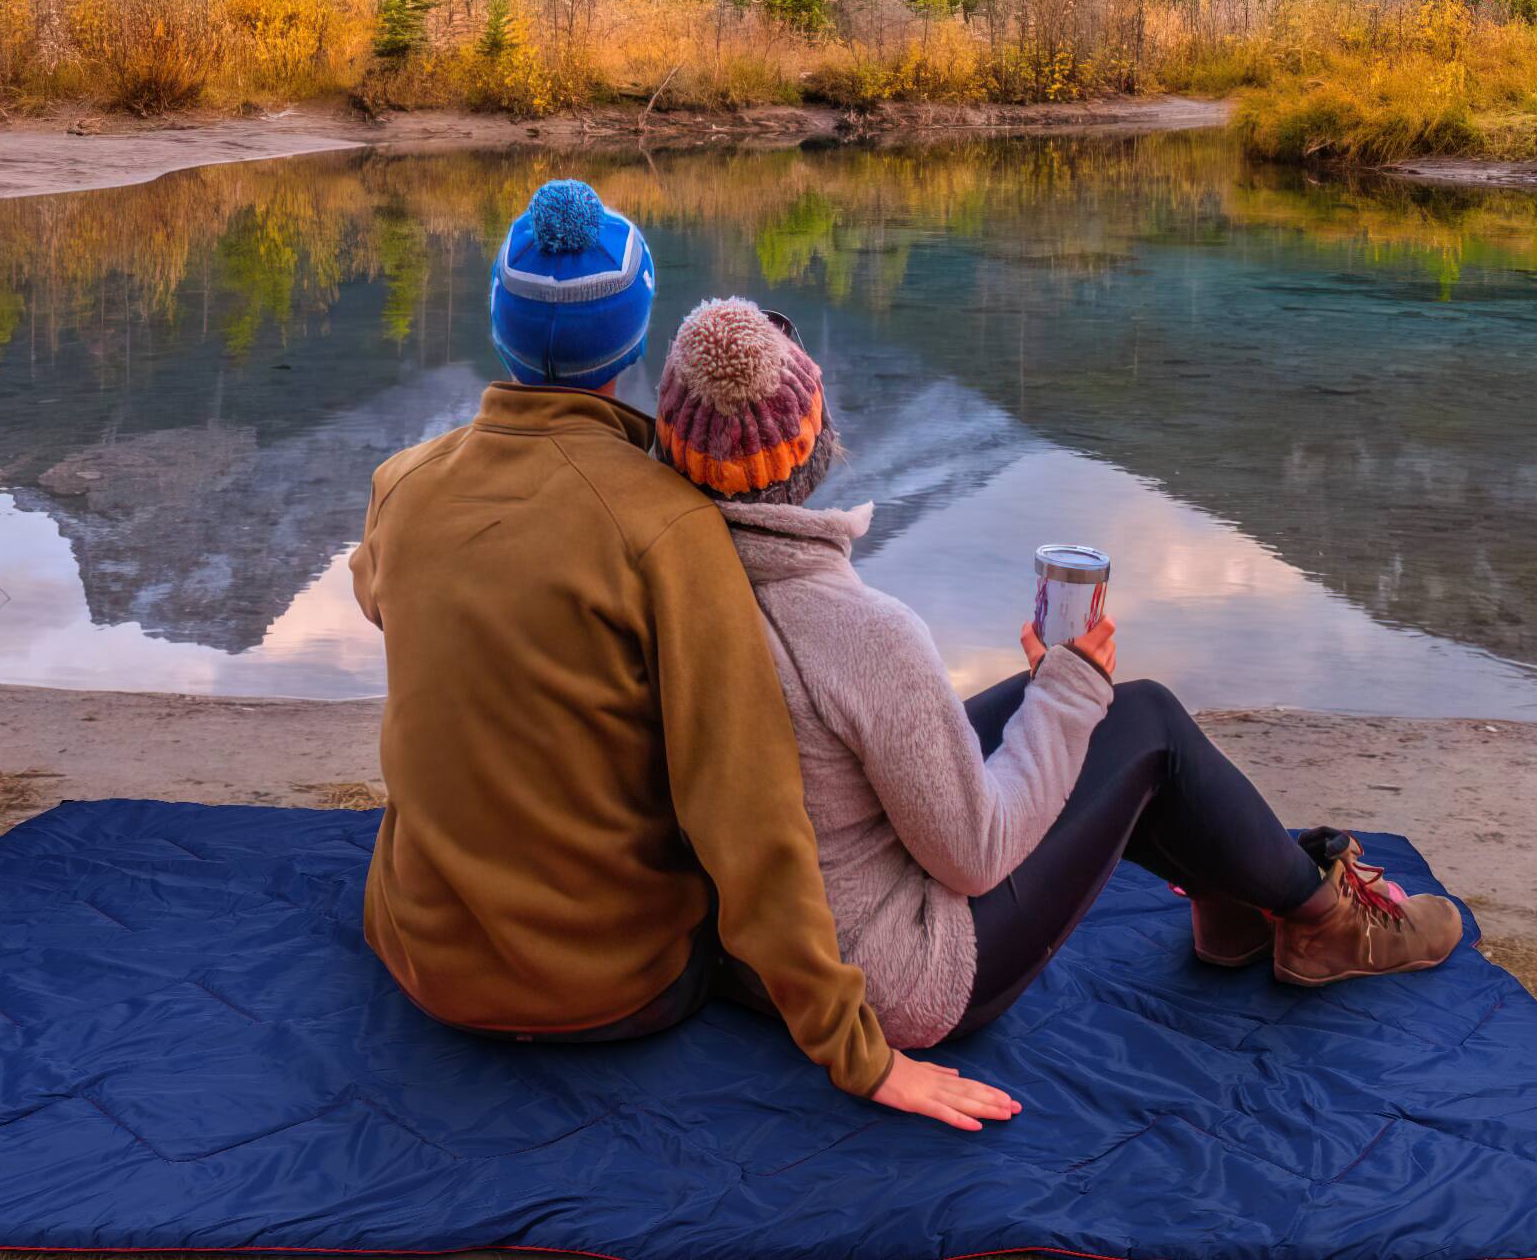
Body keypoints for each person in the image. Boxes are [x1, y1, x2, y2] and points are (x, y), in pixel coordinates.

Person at [350, 179, 1018, 1131]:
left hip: (420, 955)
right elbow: (746, 812)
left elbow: (376, 596)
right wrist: (859, 1056)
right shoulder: (666, 529)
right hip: (613, 990)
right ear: (633, 347)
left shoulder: (402, 489)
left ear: (497, 320)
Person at [652, 296, 1465, 1052]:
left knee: (1057, 710)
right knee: (1135, 719)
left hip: (758, 936)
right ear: (814, 439)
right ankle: (1323, 923)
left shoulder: (662, 570)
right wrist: (1069, 690)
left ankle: (1239, 898)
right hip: (882, 976)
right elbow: (974, 856)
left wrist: (1052, 700)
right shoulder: (859, 631)